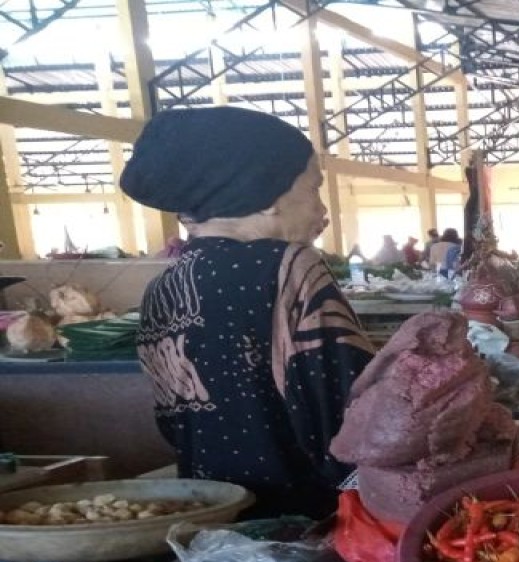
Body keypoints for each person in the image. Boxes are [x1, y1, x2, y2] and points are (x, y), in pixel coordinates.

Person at [119, 106, 375, 518]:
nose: (321, 212)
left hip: (211, 516)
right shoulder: (288, 264)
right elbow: (355, 411)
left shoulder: (162, 288)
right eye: (312, 189)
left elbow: (174, 421)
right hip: (310, 519)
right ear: (270, 192)